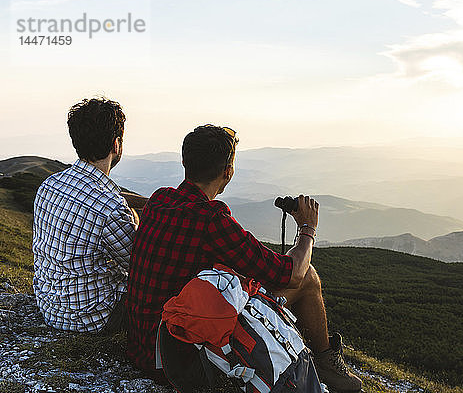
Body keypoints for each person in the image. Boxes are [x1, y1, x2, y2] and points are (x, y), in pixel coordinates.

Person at [126, 125, 362, 392]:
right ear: (228, 172)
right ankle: (326, 363)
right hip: (178, 358)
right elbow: (292, 273)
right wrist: (308, 229)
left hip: (142, 345)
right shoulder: (212, 220)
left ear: (184, 162)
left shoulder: (159, 200)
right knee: (308, 278)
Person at [32, 97, 146, 334]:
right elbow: (139, 267)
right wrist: (135, 217)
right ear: (116, 145)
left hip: (50, 306)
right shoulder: (110, 207)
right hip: (91, 317)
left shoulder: (49, 185)